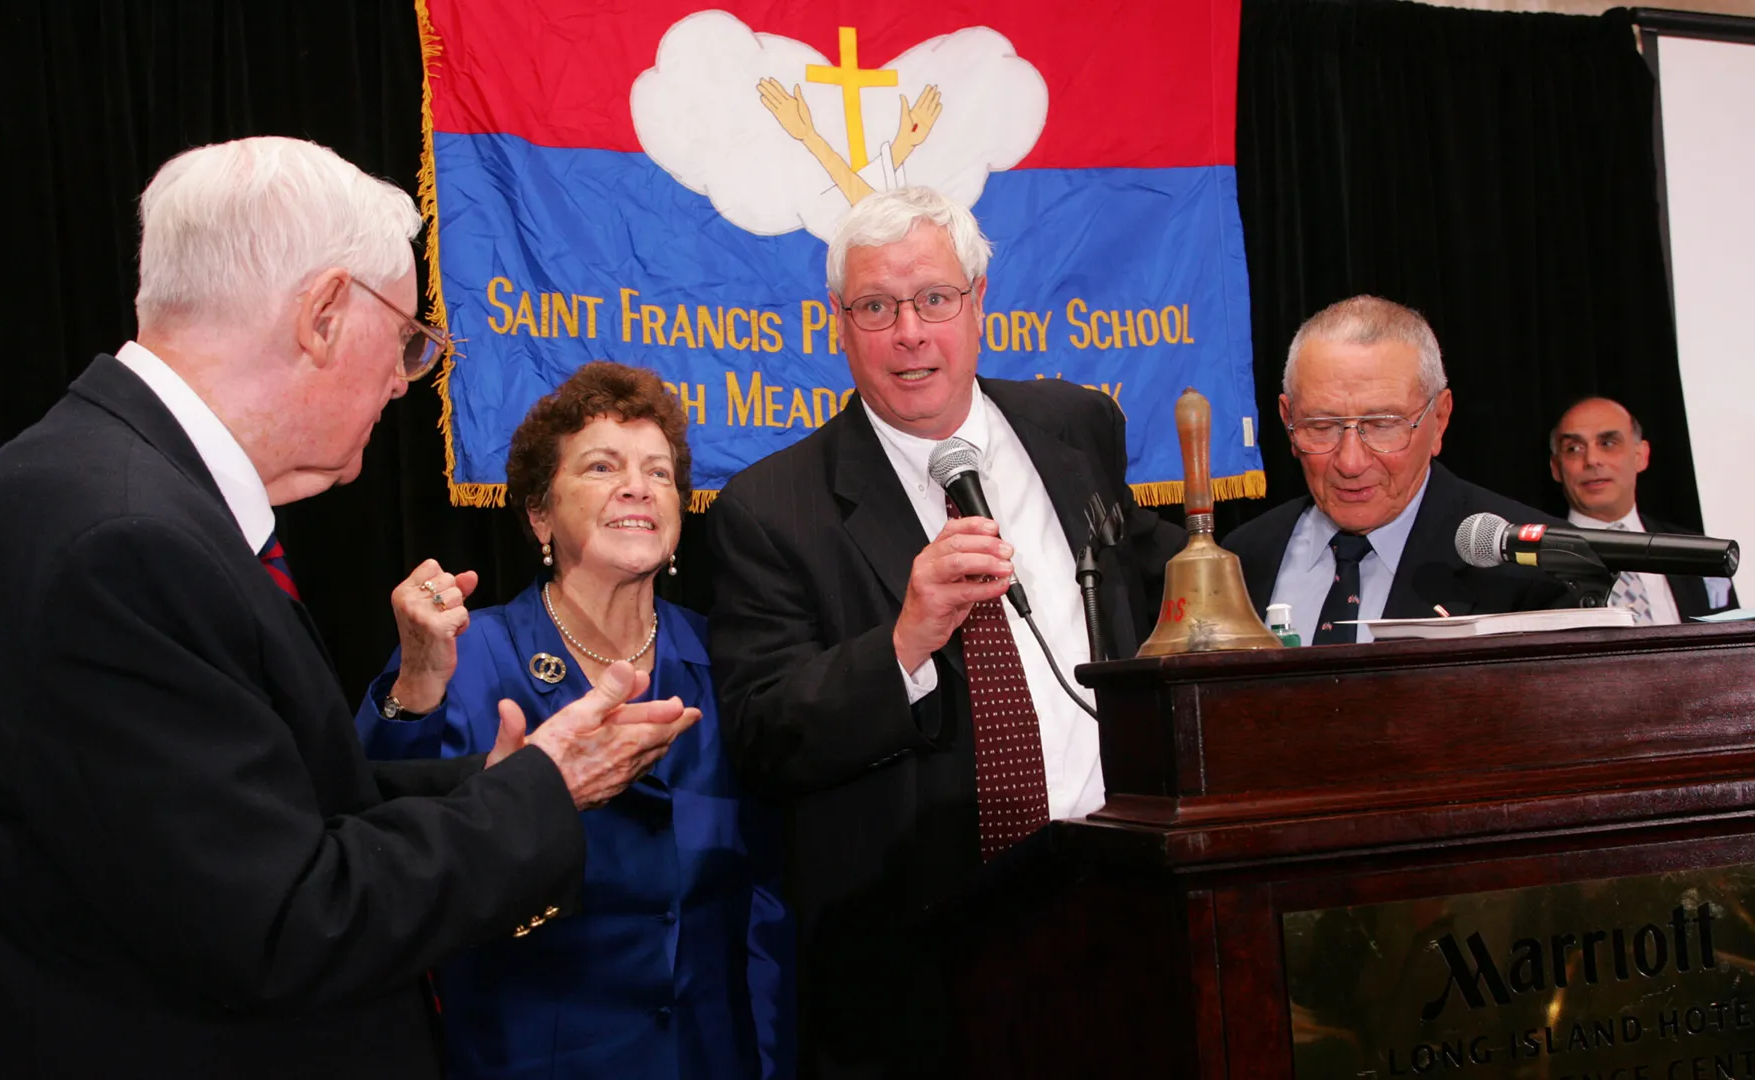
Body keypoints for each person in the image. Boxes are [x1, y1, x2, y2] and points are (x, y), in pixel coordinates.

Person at [0, 136, 700, 1079]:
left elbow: (262, 814)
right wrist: (543, 790)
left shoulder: (105, 490)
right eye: (406, 339)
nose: (406, 382)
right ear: (324, 315)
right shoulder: (122, 543)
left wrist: (490, 781)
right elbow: (284, 920)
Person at [705, 186, 1182, 1078]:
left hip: (1121, 914)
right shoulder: (771, 510)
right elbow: (765, 736)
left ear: (978, 301)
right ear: (838, 324)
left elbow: (1146, 599)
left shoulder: (1078, 429)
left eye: (934, 299)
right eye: (876, 308)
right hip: (919, 971)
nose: (910, 333)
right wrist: (904, 641)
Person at [358, 361, 792, 1079]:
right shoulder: (468, 656)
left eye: (659, 474)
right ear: (539, 513)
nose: (638, 487)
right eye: (602, 466)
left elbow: (771, 902)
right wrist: (414, 685)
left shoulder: (728, 660)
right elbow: (374, 832)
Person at [1223, 295, 1568, 643]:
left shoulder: (1534, 566)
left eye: (1383, 425)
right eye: (1321, 426)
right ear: (1288, 421)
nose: (1350, 462)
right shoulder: (1242, 560)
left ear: (1440, 419)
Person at [1548, 395, 1737, 622]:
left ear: (1641, 456)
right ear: (1556, 468)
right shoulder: (1534, 561)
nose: (1592, 459)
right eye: (1574, 448)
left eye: (1608, 443)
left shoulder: (1697, 553)